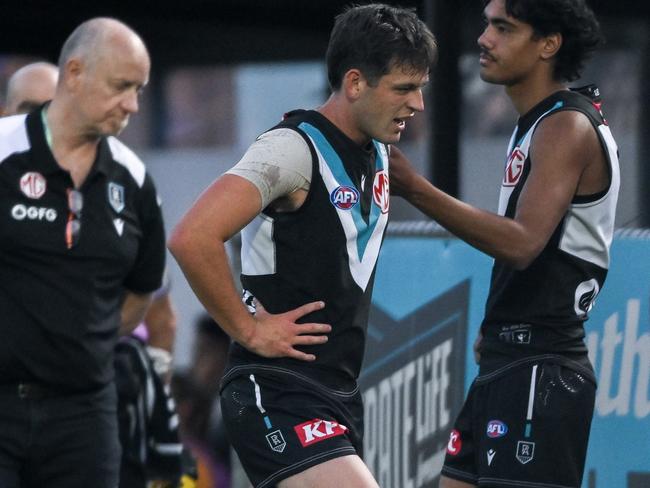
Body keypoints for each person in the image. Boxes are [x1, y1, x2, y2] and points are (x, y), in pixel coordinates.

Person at [169, 4, 437, 487]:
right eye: (403, 88)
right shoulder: (292, 147)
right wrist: (249, 330)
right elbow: (192, 236)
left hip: (338, 393)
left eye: (421, 86)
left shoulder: (377, 151)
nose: (417, 103)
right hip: (274, 389)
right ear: (354, 83)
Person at [388, 1, 619, 487]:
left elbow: (522, 244)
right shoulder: (539, 122)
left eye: (503, 28)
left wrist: (415, 188)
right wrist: (501, 323)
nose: (483, 39)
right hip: (508, 361)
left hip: (541, 371)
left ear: (548, 44)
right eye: (487, 23)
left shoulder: (565, 126)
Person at [0, 17, 165, 488]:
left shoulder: (133, 179)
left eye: (139, 89)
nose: (132, 105)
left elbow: (141, 291)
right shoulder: (4, 151)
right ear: (73, 73)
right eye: (120, 87)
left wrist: (80, 343)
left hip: (84, 413)